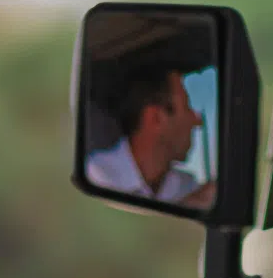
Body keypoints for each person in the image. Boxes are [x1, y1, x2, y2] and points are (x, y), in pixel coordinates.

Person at [85, 68, 214, 208]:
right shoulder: (96, 177)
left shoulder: (187, 185)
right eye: (187, 107)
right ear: (155, 117)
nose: (197, 121)